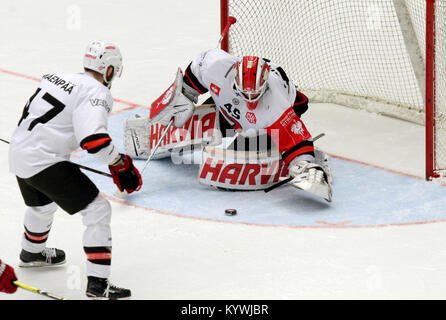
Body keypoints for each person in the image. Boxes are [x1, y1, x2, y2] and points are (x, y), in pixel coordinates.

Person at [8, 40, 142, 299]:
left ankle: (32, 252)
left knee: (42, 205)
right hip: (44, 161)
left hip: (18, 152)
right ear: (109, 70)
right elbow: (94, 142)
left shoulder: (57, 77)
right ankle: (98, 285)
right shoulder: (97, 92)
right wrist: (120, 163)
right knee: (98, 210)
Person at [150, 48, 332, 201]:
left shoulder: (275, 106)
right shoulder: (216, 67)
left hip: (267, 121)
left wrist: (304, 164)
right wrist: (187, 93)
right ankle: (223, 120)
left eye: (255, 95)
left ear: (265, 85)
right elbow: (197, 68)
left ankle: (292, 159)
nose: (251, 99)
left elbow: (295, 139)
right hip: (232, 104)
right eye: (246, 94)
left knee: (246, 151)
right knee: (218, 115)